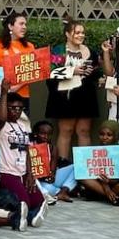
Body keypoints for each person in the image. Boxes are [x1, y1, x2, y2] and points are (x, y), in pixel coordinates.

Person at [45, 19, 100, 160]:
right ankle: (62, 165)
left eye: (82, 33)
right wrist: (72, 71)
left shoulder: (90, 52)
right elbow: (50, 73)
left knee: (84, 130)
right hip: (65, 96)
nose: (81, 35)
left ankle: (84, 168)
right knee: (66, 130)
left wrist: (93, 73)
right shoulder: (58, 51)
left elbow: (96, 72)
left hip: (86, 96)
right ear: (68, 34)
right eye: (77, 32)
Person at [0, 85, 45, 231]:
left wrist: (30, 173)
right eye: (12, 108)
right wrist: (4, 93)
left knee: (39, 200)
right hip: (7, 172)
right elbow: (2, 117)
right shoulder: (0, 125)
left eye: (19, 108)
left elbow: (28, 151)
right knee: (24, 202)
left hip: (22, 172)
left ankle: (28, 218)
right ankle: (18, 219)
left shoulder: (23, 126)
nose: (16, 111)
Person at [0, 13, 36, 106]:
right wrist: (6, 88)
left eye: (25, 24)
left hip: (24, 96)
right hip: (0, 95)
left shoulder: (30, 47)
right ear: (10, 26)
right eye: (21, 24)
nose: (24, 27)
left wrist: (16, 87)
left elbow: (32, 72)